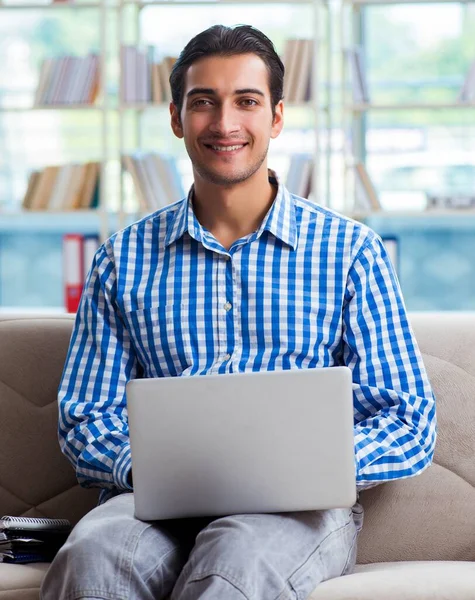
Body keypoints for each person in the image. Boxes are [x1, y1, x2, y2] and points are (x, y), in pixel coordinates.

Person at [40, 24, 437, 600]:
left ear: (276, 117)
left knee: (235, 565)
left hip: (295, 514)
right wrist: (154, 468)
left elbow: (407, 418)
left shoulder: (351, 252)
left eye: (246, 102)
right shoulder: (121, 259)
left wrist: (307, 463)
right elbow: (86, 415)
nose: (225, 123)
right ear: (177, 119)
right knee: (92, 557)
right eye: (204, 103)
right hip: (150, 504)